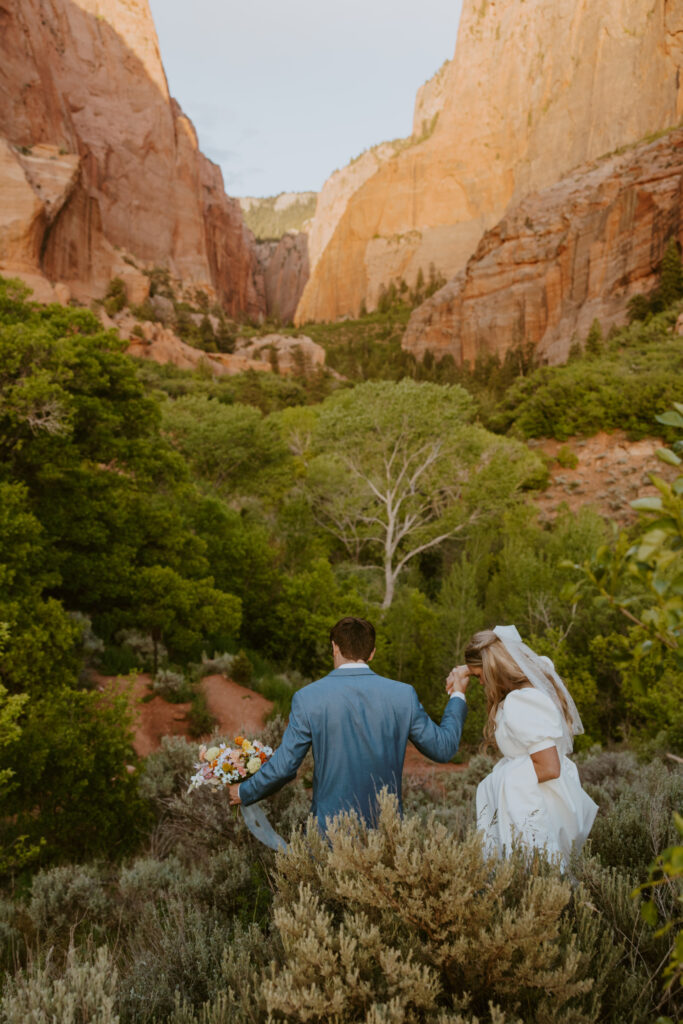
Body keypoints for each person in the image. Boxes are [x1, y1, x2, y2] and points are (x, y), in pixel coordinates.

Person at [229, 616, 468, 830]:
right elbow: (443, 748)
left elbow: (285, 766)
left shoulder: (308, 697)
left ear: (334, 647)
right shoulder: (403, 695)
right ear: (372, 652)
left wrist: (244, 791)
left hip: (328, 836)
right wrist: (458, 694)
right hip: (386, 837)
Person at [450, 625, 597, 868]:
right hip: (550, 796)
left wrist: (500, 780)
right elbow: (535, 661)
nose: (480, 682)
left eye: (479, 675)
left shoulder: (523, 701)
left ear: (492, 667)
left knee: (536, 876)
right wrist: (467, 667)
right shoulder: (533, 685)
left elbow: (549, 767)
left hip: (537, 805)